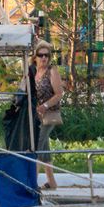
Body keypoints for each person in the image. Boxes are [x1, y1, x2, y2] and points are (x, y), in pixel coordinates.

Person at [28, 42, 64, 188]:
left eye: (46, 55)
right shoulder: (33, 72)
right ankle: (52, 182)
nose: (44, 58)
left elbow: (59, 94)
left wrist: (45, 105)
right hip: (36, 115)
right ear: (35, 57)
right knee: (44, 149)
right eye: (40, 55)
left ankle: (31, 183)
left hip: (49, 114)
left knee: (37, 145)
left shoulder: (52, 71)